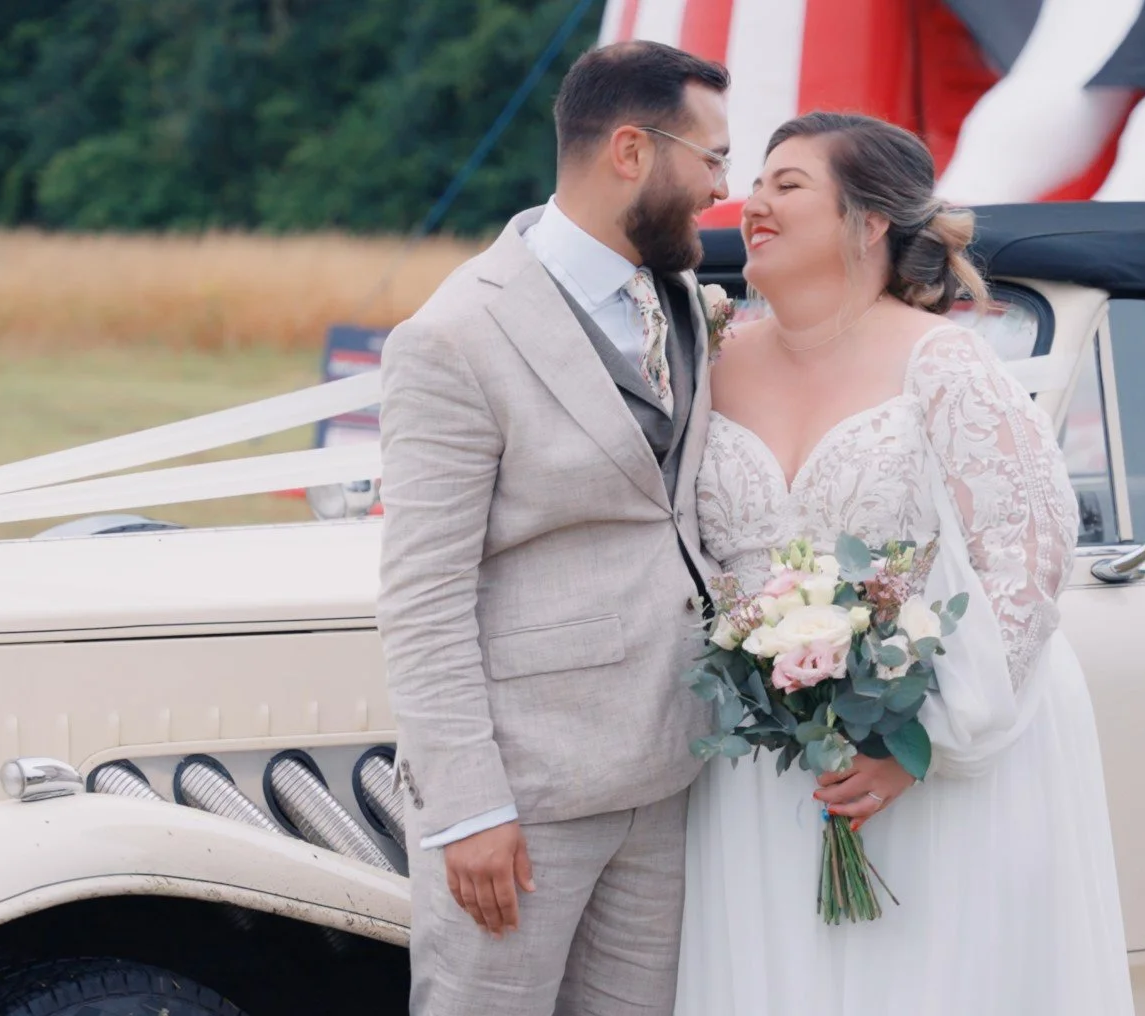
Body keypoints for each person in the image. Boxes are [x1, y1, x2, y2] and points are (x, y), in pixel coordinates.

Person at [678, 111, 1137, 1014]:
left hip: (921, 760)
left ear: (870, 220)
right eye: (756, 182)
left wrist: (917, 744)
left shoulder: (946, 365)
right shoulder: (711, 360)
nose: (754, 204)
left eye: (787, 184)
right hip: (757, 767)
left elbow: (1028, 554)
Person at [374, 40, 731, 1016]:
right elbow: (422, 594)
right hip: (523, 789)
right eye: (711, 160)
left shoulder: (681, 298)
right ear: (631, 152)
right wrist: (471, 807)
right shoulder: (452, 336)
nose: (719, 188)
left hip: (666, 770)